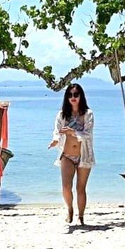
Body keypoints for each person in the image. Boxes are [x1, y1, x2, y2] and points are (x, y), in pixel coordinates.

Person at [48, 83, 94, 226]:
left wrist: (72, 132)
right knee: (66, 187)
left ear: (81, 96)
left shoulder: (88, 114)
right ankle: (69, 209)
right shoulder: (62, 114)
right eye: (70, 95)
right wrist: (55, 140)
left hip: (83, 155)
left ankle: (81, 216)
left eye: (76, 94)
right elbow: (57, 131)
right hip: (67, 154)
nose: (73, 97)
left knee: (81, 188)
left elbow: (87, 134)